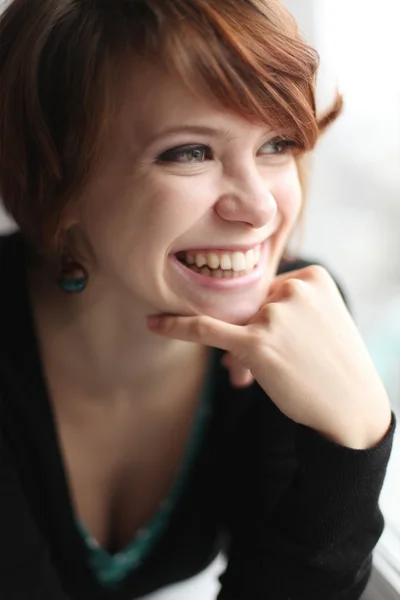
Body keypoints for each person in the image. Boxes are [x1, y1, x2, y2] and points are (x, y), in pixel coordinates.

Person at [0, 0, 395, 599]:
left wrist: (354, 437)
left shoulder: (297, 324)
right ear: (57, 175)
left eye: (279, 143)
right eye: (191, 152)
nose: (261, 208)